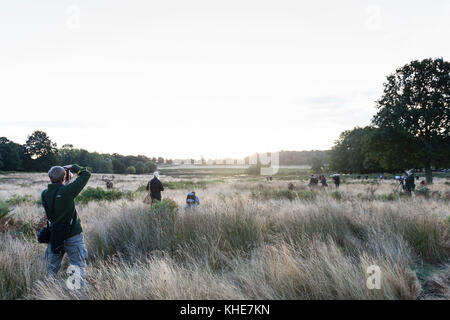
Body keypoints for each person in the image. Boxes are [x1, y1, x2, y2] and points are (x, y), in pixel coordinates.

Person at [41, 164, 91, 284]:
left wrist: (64, 180)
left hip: (55, 235)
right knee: (77, 266)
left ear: (50, 178)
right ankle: (76, 293)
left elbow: (59, 194)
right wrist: (73, 166)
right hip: (72, 235)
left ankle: (47, 291)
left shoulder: (44, 194)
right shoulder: (67, 191)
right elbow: (86, 174)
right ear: (64, 177)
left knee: (51, 268)